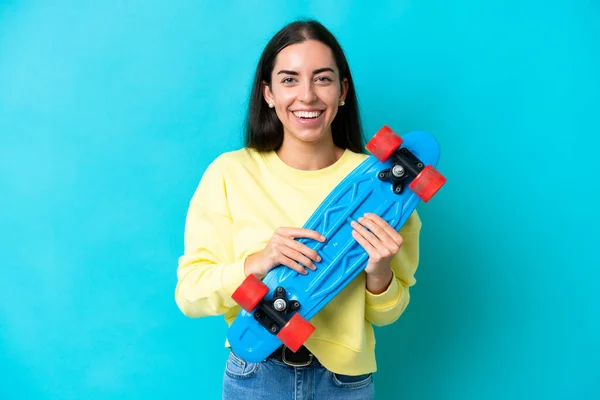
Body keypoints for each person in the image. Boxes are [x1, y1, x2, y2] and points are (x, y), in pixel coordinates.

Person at [174, 19, 422, 399]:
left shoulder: (384, 186)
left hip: (345, 383)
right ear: (268, 93)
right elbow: (190, 294)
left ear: (342, 91)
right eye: (289, 79)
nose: (307, 95)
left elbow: (388, 314)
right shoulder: (231, 173)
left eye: (322, 79)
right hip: (256, 373)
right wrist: (257, 262)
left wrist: (380, 272)